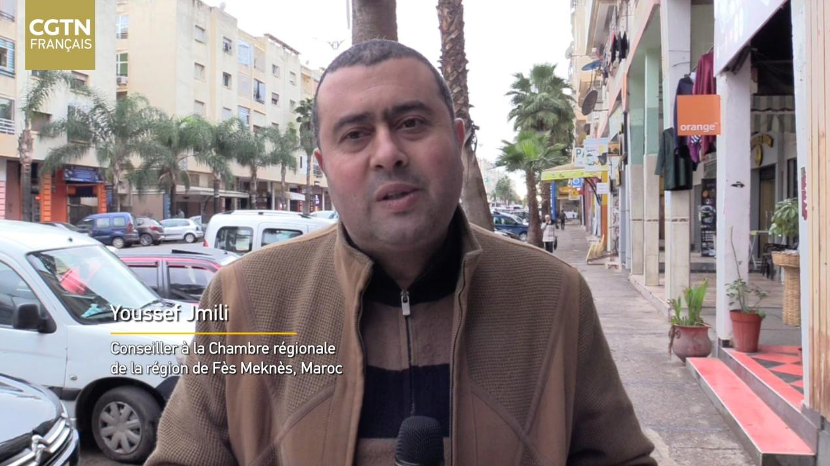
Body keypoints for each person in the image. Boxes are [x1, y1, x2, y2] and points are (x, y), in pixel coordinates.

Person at [148, 40, 655, 466]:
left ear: (458, 142)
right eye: (355, 135)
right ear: (324, 166)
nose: (388, 153)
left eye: (411, 123)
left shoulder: (554, 297)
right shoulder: (242, 299)